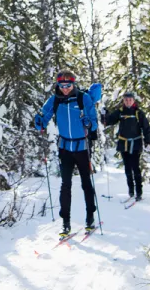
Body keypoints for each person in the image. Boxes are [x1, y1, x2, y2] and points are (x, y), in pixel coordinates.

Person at [32, 71, 103, 235]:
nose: (65, 89)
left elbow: (93, 123)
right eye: (62, 86)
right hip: (64, 147)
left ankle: (90, 216)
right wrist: (39, 122)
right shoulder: (55, 100)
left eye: (68, 86)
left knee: (86, 183)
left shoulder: (83, 98)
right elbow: (44, 115)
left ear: (73, 84)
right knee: (65, 185)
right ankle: (65, 222)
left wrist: (88, 123)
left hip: (82, 147)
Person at [102, 92, 150, 201]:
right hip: (123, 144)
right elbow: (108, 121)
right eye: (126, 100)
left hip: (135, 144)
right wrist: (104, 115)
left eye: (130, 100)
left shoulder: (138, 113)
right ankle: (131, 191)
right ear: (123, 101)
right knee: (127, 169)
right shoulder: (120, 112)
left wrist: (148, 141)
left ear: (133, 100)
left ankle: (139, 192)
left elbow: (146, 128)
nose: (128, 102)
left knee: (136, 168)